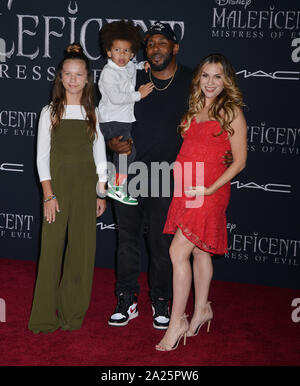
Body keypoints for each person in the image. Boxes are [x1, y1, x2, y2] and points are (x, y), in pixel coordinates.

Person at [107, 23, 232, 329]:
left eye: (162, 43)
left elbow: (217, 114)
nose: (155, 49)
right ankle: (127, 298)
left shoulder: (192, 80)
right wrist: (109, 140)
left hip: (168, 175)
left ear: (175, 48)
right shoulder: (131, 76)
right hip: (126, 169)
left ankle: (160, 301)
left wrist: (225, 149)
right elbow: (105, 107)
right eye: (150, 44)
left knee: (163, 244)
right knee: (126, 241)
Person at [155, 53, 247, 351]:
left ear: (226, 80)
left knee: (177, 251)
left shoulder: (231, 111)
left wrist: (208, 189)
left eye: (217, 76)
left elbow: (240, 163)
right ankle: (202, 309)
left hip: (209, 193)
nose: (210, 82)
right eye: (205, 76)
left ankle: (177, 320)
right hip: (186, 189)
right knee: (200, 252)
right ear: (198, 79)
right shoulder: (193, 110)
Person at [28, 43, 107, 334]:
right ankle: (44, 317)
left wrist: (101, 192)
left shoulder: (92, 112)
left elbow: (100, 155)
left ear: (87, 79)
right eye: (68, 74)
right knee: (50, 252)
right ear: (60, 78)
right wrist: (48, 196)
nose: (73, 79)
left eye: (79, 74)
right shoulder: (49, 112)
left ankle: (73, 314)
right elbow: (41, 158)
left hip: (87, 192)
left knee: (82, 254)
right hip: (57, 193)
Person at [98, 20, 153, 205]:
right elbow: (115, 97)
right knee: (127, 153)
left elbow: (133, 67)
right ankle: (115, 188)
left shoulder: (128, 65)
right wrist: (139, 94)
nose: (121, 55)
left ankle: (115, 187)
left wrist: (143, 64)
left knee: (126, 153)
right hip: (112, 120)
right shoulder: (108, 73)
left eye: (126, 51)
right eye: (117, 50)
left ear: (132, 53)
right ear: (108, 51)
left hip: (122, 120)